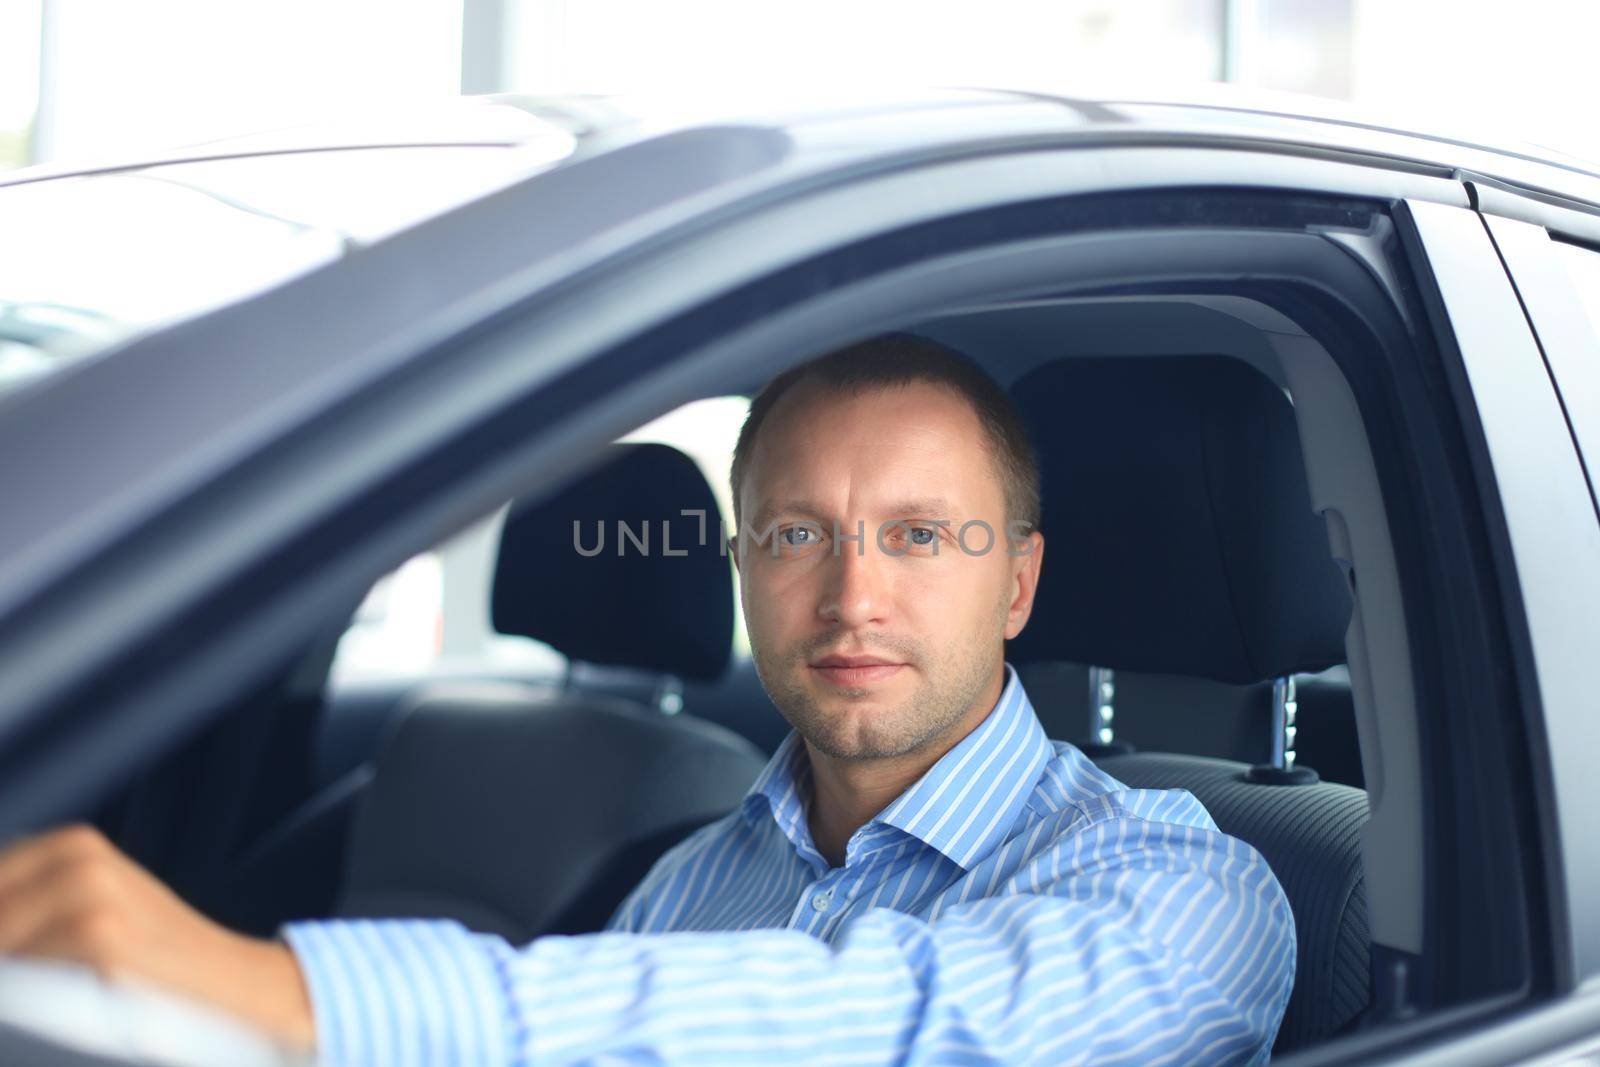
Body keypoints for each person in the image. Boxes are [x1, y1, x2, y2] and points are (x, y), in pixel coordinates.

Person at [0, 335, 1295, 1065]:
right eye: (796, 535)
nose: (851, 597)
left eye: (918, 538)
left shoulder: (1188, 894)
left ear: (1017, 584)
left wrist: (300, 998)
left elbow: (901, 1027)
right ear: (743, 565)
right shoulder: (683, 879)